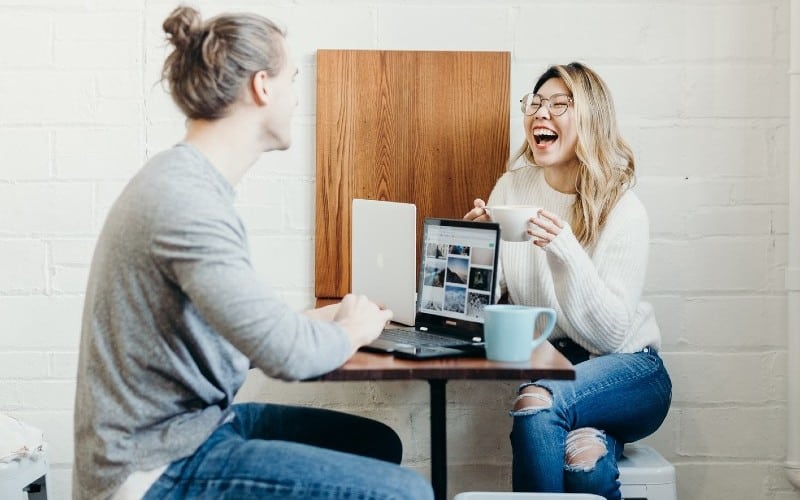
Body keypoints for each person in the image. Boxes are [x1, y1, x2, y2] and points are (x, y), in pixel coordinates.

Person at [72, 6, 433, 500]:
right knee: (405, 493)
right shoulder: (186, 203)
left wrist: (323, 320)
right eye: (294, 79)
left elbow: (242, 334)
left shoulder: (190, 184)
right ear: (263, 87)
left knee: (373, 443)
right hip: (154, 467)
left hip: (194, 429)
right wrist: (355, 329)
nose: (297, 97)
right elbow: (288, 356)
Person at [464, 62, 672, 500]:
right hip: (558, 364)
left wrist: (564, 250)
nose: (541, 113)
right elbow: (492, 299)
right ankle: (599, 439)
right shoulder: (512, 187)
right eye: (536, 102)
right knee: (584, 461)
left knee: (536, 402)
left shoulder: (621, 206)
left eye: (560, 104)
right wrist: (477, 250)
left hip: (631, 370)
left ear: (591, 119)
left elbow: (612, 334)